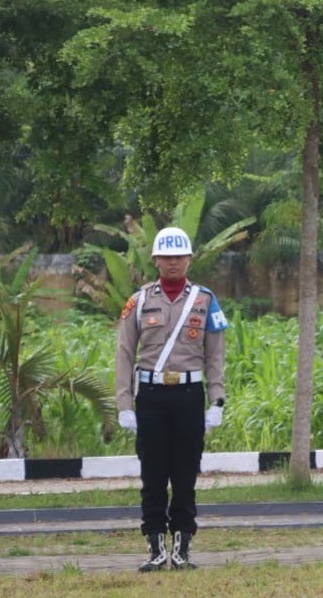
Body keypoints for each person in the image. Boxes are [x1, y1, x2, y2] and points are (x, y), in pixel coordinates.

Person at [114, 227, 228, 572]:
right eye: (166, 256)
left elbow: (215, 355)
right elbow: (123, 352)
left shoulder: (205, 300)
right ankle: (154, 546)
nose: (173, 262)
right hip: (150, 395)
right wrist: (124, 404)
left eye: (179, 256)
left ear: (189, 259)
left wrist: (216, 400)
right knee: (152, 473)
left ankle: (182, 546)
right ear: (156, 261)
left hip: (189, 395)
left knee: (185, 473)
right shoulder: (139, 301)